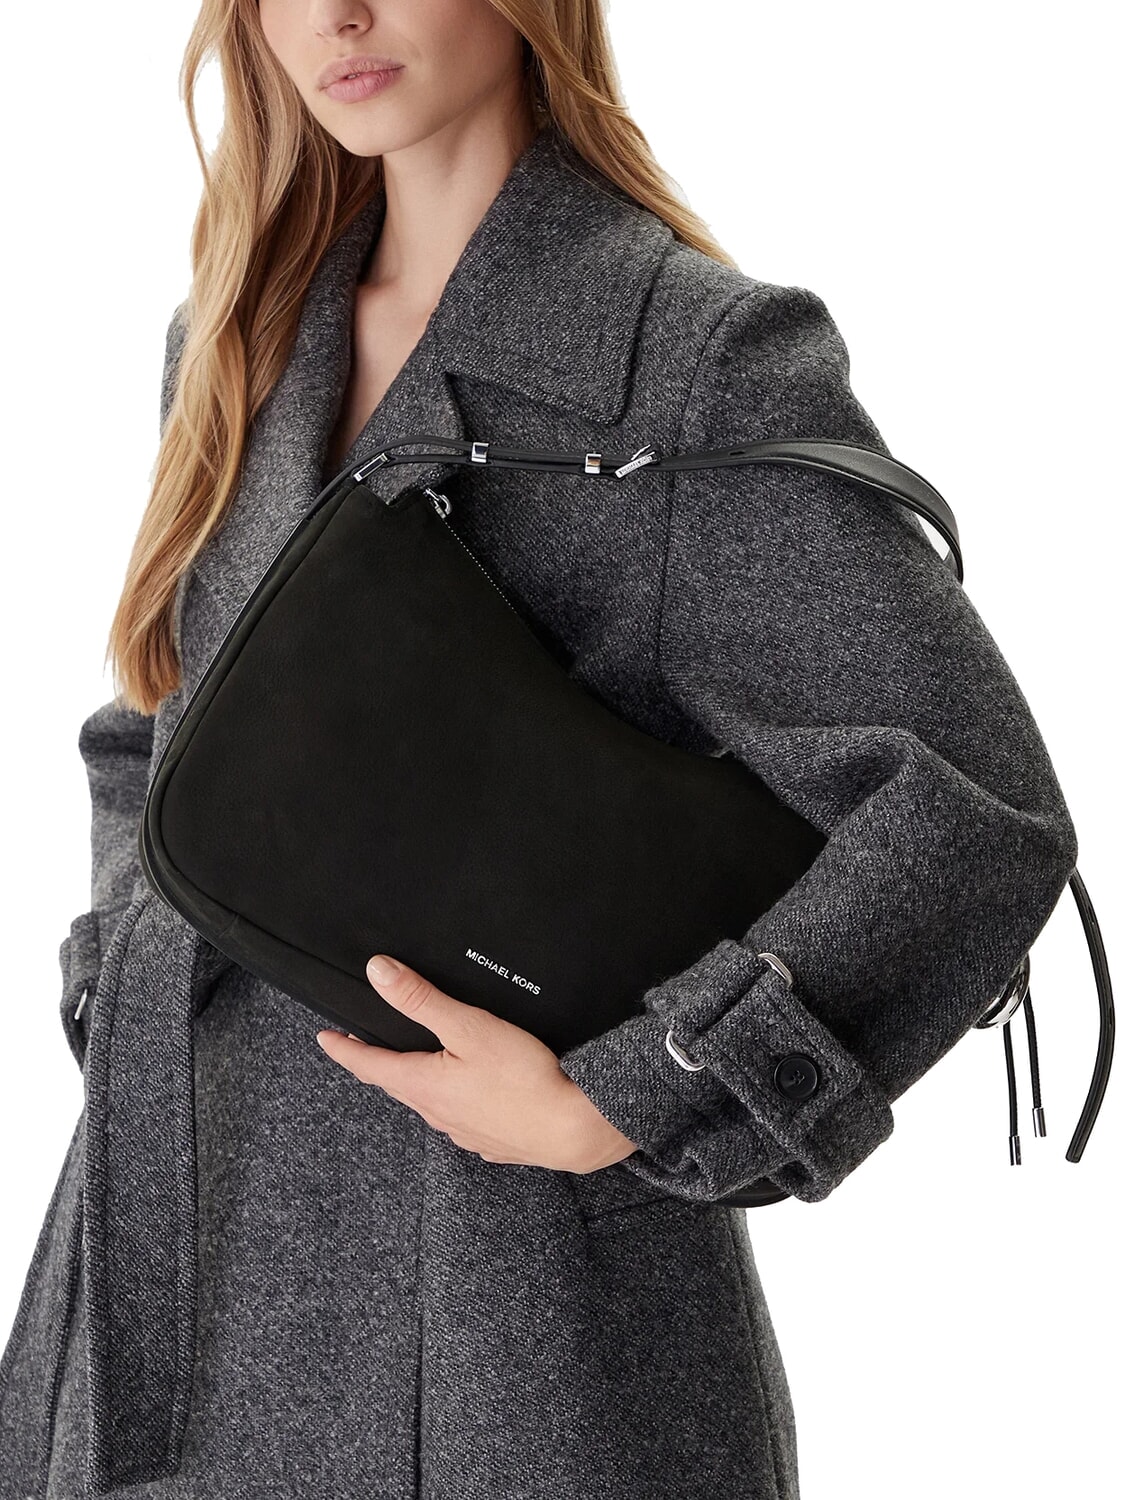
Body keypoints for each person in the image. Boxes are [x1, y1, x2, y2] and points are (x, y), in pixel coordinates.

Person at [0, 2, 1079, 1497]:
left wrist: (630, 1094)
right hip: (175, 1244)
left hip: (509, 1306)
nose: (338, 16)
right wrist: (123, 970)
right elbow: (158, 713)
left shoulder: (691, 356)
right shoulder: (237, 332)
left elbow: (970, 807)